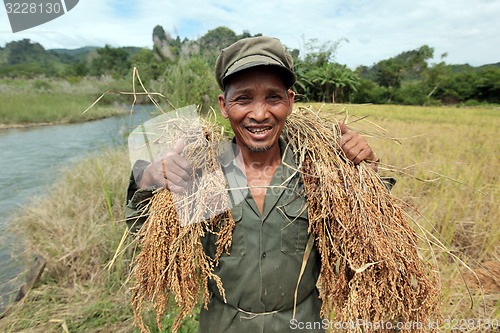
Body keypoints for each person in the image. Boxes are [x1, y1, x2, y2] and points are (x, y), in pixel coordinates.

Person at [125, 36, 381, 333]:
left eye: (273, 97)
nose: (259, 114)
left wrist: (366, 173)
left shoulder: (319, 169)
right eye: (243, 99)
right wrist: (150, 177)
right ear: (224, 105)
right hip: (225, 325)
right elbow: (144, 236)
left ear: (290, 101)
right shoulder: (200, 171)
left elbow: (365, 238)